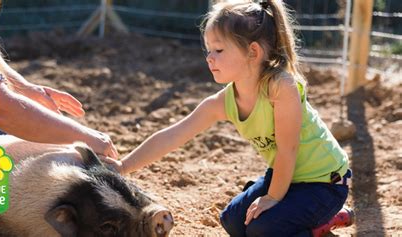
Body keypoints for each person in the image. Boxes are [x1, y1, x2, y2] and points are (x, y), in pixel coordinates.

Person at [103, 1, 353, 236]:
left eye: (219, 50)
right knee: (233, 221)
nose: (209, 57)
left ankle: (324, 222)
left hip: (325, 183)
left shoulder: (281, 86)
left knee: (262, 230)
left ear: (253, 52)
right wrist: (123, 166)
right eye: (208, 49)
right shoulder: (223, 102)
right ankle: (296, 214)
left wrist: (271, 198)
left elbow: (288, 149)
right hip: (287, 175)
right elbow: (173, 135)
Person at [0, 0, 118, 158]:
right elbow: (0, 108)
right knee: (8, 111)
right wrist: (86, 138)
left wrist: (24, 88)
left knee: (23, 111)